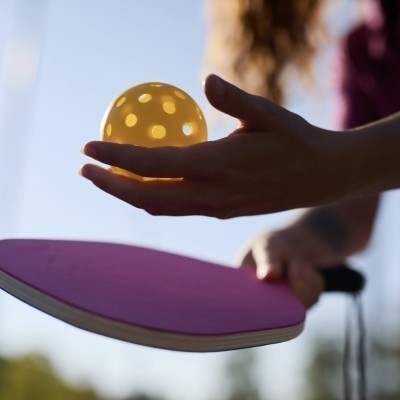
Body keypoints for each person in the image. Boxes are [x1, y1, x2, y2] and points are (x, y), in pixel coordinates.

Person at [80, 0, 400, 305]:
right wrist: (294, 244)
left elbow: (347, 167)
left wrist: (327, 166)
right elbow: (354, 204)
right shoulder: (365, 53)